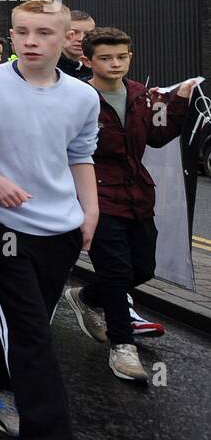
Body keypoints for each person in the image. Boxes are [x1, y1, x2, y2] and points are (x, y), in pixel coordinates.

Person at [0, 0, 102, 440]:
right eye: (22, 32)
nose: (31, 41)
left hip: (62, 230)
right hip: (2, 229)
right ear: (11, 34)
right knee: (30, 331)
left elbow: (80, 155)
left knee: (30, 325)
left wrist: (89, 213)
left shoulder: (82, 97)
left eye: (44, 33)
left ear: (67, 39)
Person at [61, 27, 193, 381]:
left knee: (143, 269)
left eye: (121, 56)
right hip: (97, 195)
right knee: (116, 273)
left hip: (138, 195)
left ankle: (86, 296)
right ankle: (123, 347)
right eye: (105, 58)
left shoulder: (138, 94)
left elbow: (157, 135)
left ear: (130, 57)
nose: (115, 64)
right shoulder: (76, 96)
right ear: (88, 60)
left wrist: (179, 100)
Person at [58, 9, 95, 81]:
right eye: (74, 32)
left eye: (87, 34)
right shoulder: (48, 69)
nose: (81, 39)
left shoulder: (98, 68)